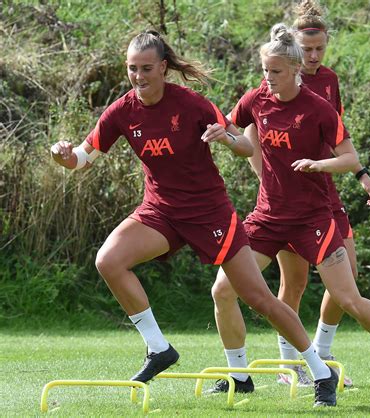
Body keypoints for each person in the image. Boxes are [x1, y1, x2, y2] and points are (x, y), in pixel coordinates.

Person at [50, 29, 344, 408]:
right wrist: (63, 155)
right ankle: (159, 349)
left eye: (145, 69)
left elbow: (245, 145)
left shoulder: (191, 104)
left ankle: (320, 372)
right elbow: (80, 158)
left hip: (209, 213)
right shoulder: (122, 110)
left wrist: (225, 137)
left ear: (164, 68)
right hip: (160, 212)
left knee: (259, 299)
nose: (138, 77)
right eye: (131, 69)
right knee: (108, 260)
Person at [209, 23, 370, 406]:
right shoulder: (256, 99)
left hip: (313, 219)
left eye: (276, 72)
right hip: (268, 217)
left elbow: (350, 159)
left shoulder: (318, 108)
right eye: (265, 71)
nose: (268, 79)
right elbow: (246, 143)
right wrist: (226, 138)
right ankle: (240, 376)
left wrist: (319, 163)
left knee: (348, 298)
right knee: (223, 290)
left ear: (296, 71)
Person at [244, 0, 370, 388]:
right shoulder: (276, 77)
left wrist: (361, 175)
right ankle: (292, 364)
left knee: (348, 279)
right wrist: (262, 173)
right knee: (295, 283)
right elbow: (249, 124)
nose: (314, 56)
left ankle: (322, 351)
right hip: (289, 201)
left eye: (321, 48)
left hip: (326, 192)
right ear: (293, 50)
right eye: (307, 50)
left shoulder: (329, 80)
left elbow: (338, 139)